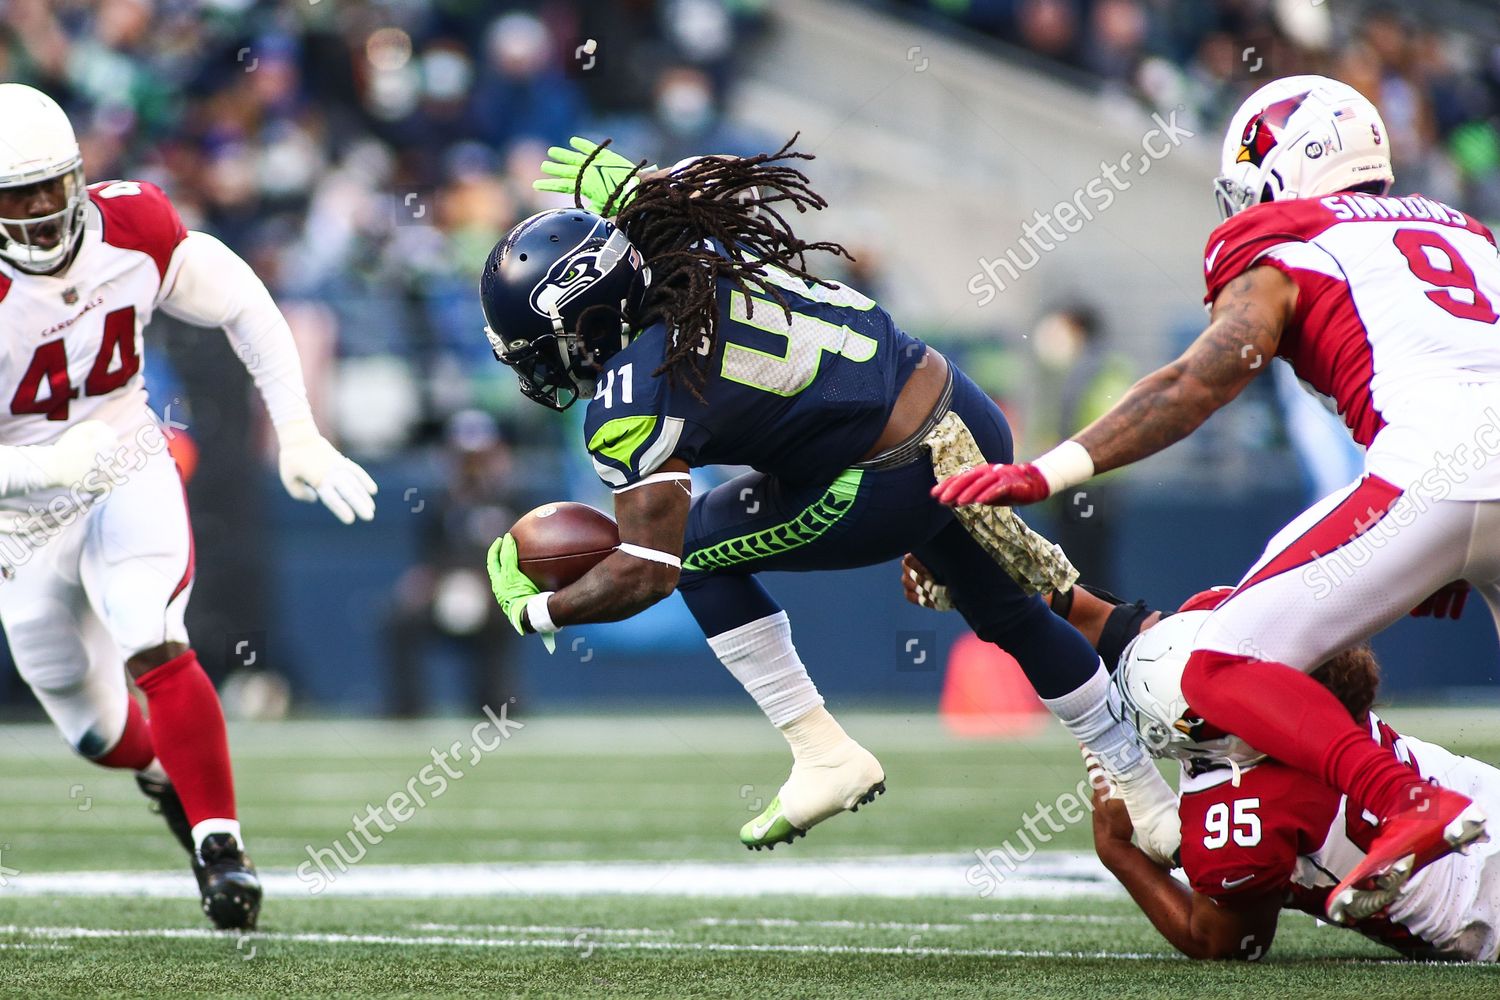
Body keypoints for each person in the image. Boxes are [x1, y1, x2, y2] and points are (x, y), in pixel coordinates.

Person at [480, 137, 1179, 853]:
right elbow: (699, 191)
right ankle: (1153, 803)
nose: (543, 363)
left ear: (592, 315)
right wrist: (634, 195)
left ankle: (823, 752)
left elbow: (649, 568)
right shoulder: (688, 249)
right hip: (960, 408)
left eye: (544, 342)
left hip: (891, 468)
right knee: (1008, 612)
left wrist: (540, 610)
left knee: (692, 549)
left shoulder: (633, 393)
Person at [932, 73, 1494, 919]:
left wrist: (1049, 471)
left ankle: (1405, 800)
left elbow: (1204, 377)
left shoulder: (1291, 235)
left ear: (1286, 166)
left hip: (1435, 471)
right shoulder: (1471, 232)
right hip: (1460, 474)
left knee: (1219, 664)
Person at [0, 84, 377, 928]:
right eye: (13, 195)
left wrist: (300, 433)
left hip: (124, 457)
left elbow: (243, 301)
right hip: (16, 514)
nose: (35, 211)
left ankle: (220, 847)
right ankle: (164, 770)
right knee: (93, 729)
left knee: (151, 630)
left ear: (78, 176)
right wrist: (45, 465)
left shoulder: (131, 225)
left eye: (48, 187)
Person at [1099, 593, 1500, 962]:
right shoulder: (1288, 664)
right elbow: (1112, 622)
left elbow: (1221, 942)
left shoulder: (1247, 810)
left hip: (1482, 915)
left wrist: (1118, 850)